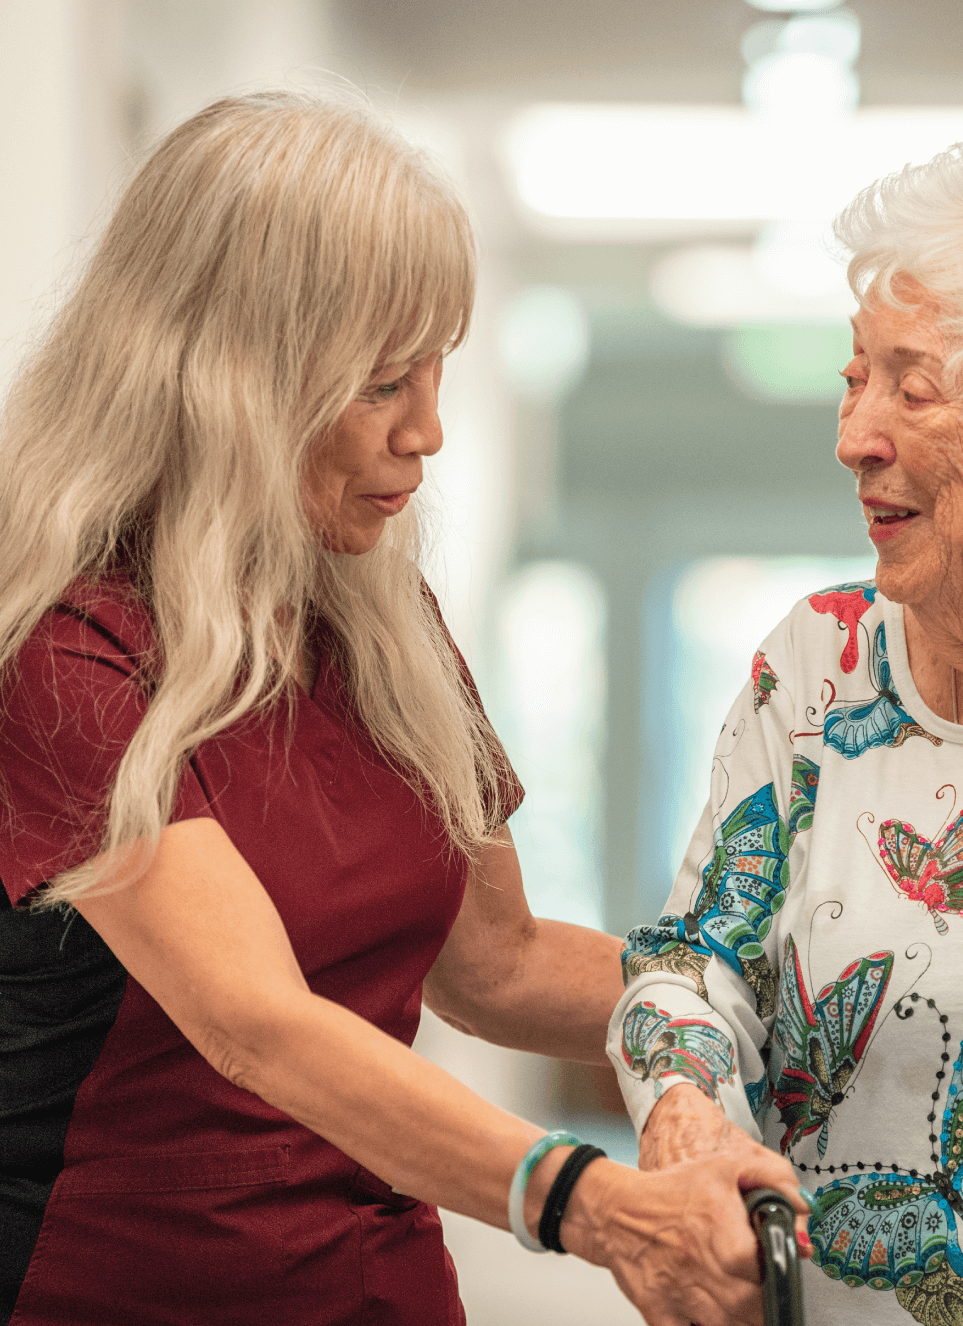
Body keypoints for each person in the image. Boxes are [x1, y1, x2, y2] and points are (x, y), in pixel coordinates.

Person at [0, 91, 803, 1326]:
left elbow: (499, 966)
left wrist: (793, 1002)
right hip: (123, 1291)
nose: (427, 431)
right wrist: (590, 1203)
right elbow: (256, 1025)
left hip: (379, 1289)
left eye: (438, 373)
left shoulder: (382, 621)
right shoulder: (65, 648)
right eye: (384, 382)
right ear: (233, 377)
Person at [609, 141, 963, 1326]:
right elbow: (695, 957)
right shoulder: (817, 668)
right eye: (853, 381)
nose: (856, 434)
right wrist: (683, 1100)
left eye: (911, 387)